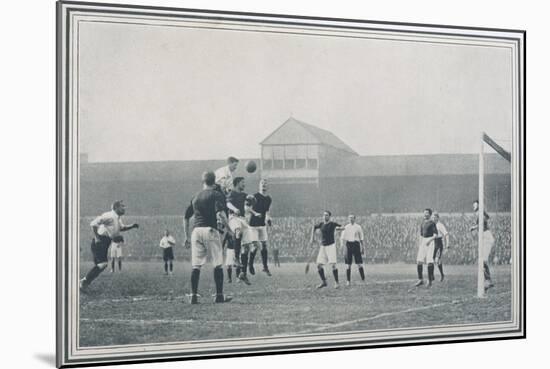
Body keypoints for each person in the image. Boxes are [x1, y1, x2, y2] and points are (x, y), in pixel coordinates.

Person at [183, 171, 232, 304]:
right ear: (214, 180)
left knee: (196, 266)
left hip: (196, 231)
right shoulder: (216, 195)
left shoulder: (195, 197)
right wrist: (230, 230)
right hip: (210, 230)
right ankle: (219, 295)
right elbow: (221, 214)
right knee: (217, 263)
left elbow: (186, 217)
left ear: (203, 181)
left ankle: (193, 295)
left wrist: (186, 236)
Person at [80, 200, 139, 291]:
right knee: (102, 264)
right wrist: (97, 238)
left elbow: (122, 228)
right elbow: (93, 224)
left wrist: (132, 226)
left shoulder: (117, 218)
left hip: (105, 242)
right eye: (122, 206)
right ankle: (84, 282)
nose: (124, 208)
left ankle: (85, 283)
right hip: (100, 242)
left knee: (101, 266)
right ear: (116, 207)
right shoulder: (109, 215)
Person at [226, 177, 258, 285]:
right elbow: (228, 204)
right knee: (238, 231)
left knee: (247, 247)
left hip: (243, 219)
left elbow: (249, 204)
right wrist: (234, 209)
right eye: (242, 183)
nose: (244, 184)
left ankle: (243, 273)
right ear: (237, 183)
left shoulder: (244, 195)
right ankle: (236, 258)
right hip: (233, 217)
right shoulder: (232, 193)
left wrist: (252, 200)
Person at [310, 210, 342, 289]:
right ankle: (324, 282)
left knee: (333, 265)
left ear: (329, 216)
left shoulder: (332, 224)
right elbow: (313, 227)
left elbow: (341, 227)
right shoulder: (321, 224)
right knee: (319, 265)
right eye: (324, 215)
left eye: (327, 215)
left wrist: (339, 229)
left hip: (331, 246)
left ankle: (337, 282)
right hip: (323, 246)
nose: (325, 216)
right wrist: (312, 238)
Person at [248, 179, 273, 276]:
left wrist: (268, 219)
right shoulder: (254, 196)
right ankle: (250, 264)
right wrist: (255, 213)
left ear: (268, 186)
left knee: (264, 245)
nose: (264, 185)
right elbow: (247, 208)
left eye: (265, 184)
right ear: (259, 185)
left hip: (262, 225)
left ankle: (265, 267)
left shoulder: (268, 199)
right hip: (253, 225)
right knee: (255, 246)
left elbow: (267, 212)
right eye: (262, 183)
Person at [469, 200, 495, 291]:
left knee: (482, 261)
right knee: (481, 261)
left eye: (475, 204)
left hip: (486, 237)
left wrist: (474, 227)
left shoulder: (480, 213)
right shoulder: (479, 213)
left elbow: (483, 220)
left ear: (478, 205)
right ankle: (487, 282)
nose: (473, 206)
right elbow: (486, 218)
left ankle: (488, 281)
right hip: (484, 237)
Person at [415, 208, 438, 288]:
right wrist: (420, 243)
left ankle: (429, 280)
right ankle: (420, 279)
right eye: (424, 213)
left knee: (429, 261)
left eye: (427, 213)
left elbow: (435, 235)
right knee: (419, 261)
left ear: (430, 214)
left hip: (430, 241)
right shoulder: (422, 223)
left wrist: (429, 241)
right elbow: (421, 235)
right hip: (423, 242)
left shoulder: (432, 223)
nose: (425, 214)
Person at [341, 214, 366, 286]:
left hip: (356, 244)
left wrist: (363, 247)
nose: (351, 219)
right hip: (348, 245)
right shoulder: (346, 227)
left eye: (352, 218)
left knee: (359, 264)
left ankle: (363, 279)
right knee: (348, 265)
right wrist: (342, 246)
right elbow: (343, 238)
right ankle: (348, 281)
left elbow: (361, 238)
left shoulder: (358, 227)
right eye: (349, 218)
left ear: (355, 219)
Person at [432, 212, 450, 281]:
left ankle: (442, 275)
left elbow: (446, 234)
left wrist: (447, 244)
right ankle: (432, 275)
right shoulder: (432, 225)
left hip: (439, 243)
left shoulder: (440, 225)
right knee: (431, 260)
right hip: (433, 243)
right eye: (432, 217)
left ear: (437, 218)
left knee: (437, 260)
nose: (433, 218)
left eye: (434, 217)